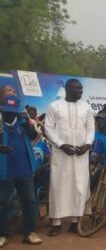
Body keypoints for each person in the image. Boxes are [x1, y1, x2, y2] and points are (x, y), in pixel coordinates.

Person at [45, 79, 95, 236]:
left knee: (79, 186)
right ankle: (56, 223)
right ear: (67, 89)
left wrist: (87, 144)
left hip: (81, 153)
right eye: (76, 89)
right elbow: (48, 128)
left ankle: (75, 221)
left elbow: (91, 128)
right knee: (58, 186)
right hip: (61, 154)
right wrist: (61, 144)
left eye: (81, 89)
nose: (80, 92)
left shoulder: (86, 107)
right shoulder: (55, 106)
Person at [0, 95, 43, 246]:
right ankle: (3, 234)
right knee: (3, 203)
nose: (9, 113)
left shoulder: (23, 123)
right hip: (4, 171)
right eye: (6, 110)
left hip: (24, 169)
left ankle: (29, 232)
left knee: (30, 202)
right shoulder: (0, 124)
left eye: (12, 110)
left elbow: (34, 136)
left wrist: (30, 126)